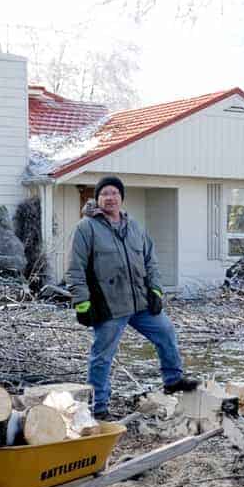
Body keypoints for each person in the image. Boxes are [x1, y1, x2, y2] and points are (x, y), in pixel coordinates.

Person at [67, 176, 198, 418]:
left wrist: (156, 290)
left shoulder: (134, 226)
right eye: (104, 193)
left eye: (114, 193)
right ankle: (99, 408)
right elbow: (75, 268)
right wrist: (82, 302)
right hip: (109, 305)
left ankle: (173, 380)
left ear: (121, 198)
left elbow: (151, 262)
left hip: (140, 302)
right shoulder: (86, 228)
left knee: (166, 332)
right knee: (102, 356)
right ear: (97, 199)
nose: (110, 197)